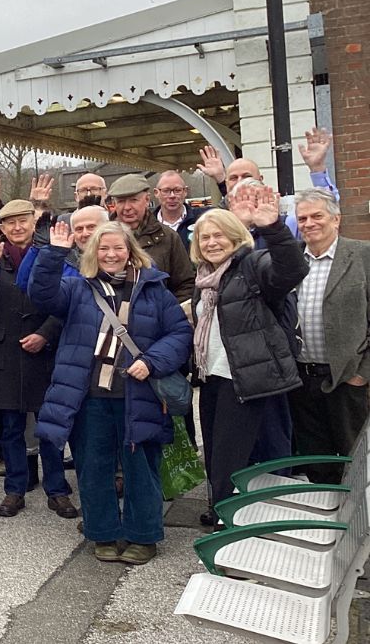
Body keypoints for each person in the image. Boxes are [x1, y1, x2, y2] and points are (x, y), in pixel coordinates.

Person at [31, 220, 192, 565]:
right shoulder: (77, 289)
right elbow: (41, 295)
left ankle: (143, 536)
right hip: (88, 398)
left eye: (118, 248)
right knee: (93, 468)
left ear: (131, 251)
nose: (111, 254)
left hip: (139, 396)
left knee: (141, 469)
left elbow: (179, 335)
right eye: (103, 249)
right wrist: (53, 254)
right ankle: (102, 533)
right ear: (93, 253)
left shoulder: (154, 290)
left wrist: (152, 361)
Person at [189, 189, 308, 514]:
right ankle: (225, 513)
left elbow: (291, 270)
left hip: (249, 381)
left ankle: (237, 523)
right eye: (205, 237)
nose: (212, 242)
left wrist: (273, 228)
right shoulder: (204, 281)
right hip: (214, 379)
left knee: (238, 460)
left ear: (235, 237)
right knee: (217, 457)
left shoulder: (252, 265)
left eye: (219, 235)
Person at [0, 199, 76, 520]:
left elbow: (68, 301)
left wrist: (46, 333)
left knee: (49, 427)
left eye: (22, 220)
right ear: (1, 227)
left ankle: (57, 491)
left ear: (33, 220)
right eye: (9, 223)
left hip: (45, 352)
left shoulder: (52, 252)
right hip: (6, 353)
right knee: (11, 428)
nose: (17, 227)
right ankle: (15, 489)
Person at [290, 188, 370, 484]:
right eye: (303, 218)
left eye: (317, 216)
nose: (309, 223)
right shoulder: (294, 260)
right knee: (316, 458)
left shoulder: (362, 255)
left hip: (347, 378)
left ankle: (359, 524)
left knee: (355, 457)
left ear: (336, 219)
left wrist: (362, 374)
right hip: (303, 379)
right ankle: (326, 519)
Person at [196, 127, 336, 235]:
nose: (240, 182)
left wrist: (317, 169)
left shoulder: (286, 220)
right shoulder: (220, 223)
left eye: (246, 176)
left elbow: (328, 208)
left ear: (260, 180)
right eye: (233, 178)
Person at [105, 175, 195, 302]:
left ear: (147, 200)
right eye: (121, 201)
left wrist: (170, 312)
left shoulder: (167, 237)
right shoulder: (102, 237)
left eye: (133, 200)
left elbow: (185, 284)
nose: (127, 207)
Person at [153, 170, 207, 248]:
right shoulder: (146, 224)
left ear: (185, 191)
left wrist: (220, 180)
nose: (172, 196)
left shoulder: (203, 217)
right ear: (156, 193)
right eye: (166, 191)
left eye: (177, 190)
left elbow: (229, 209)